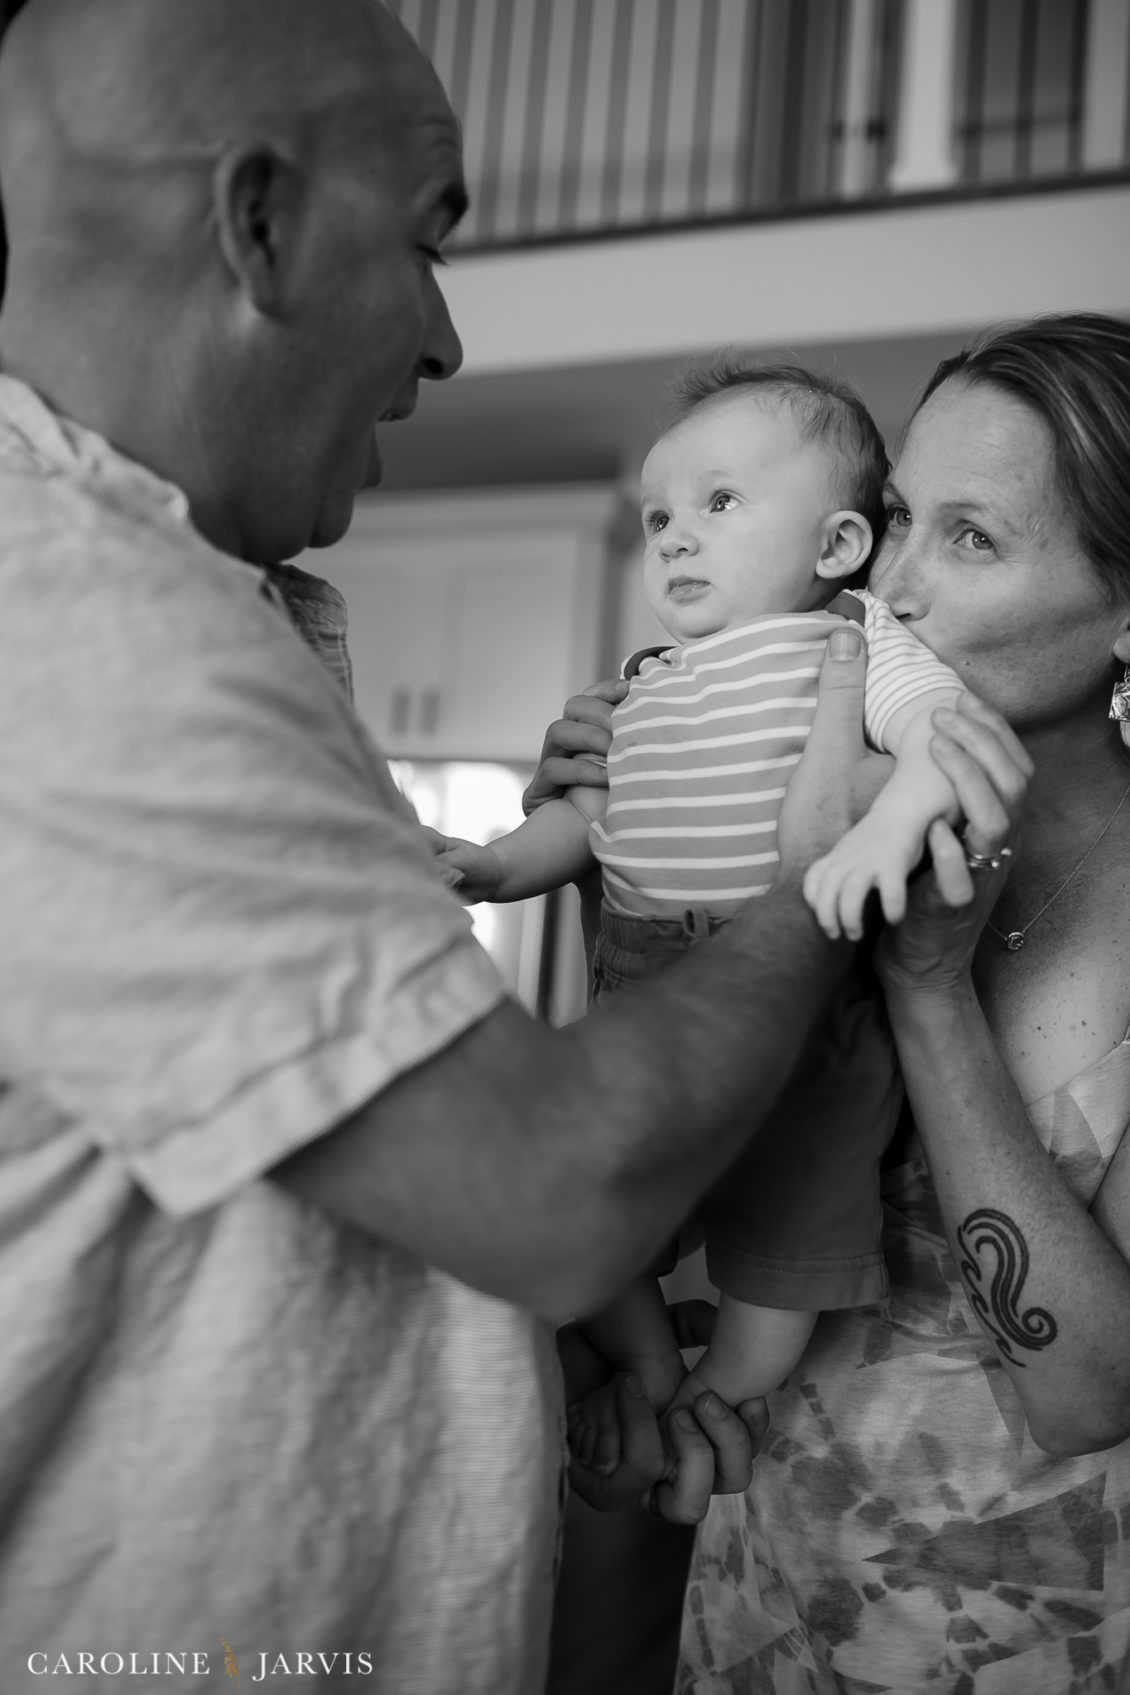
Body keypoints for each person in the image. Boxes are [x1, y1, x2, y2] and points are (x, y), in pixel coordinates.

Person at [0, 2, 1013, 1690]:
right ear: (258, 223)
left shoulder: (207, 607)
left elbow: (328, 1143)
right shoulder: (78, 623)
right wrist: (805, 884)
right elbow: (549, 1189)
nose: (449, 337)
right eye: (428, 239)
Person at [535, 312, 1130, 1693]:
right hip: (753, 1594)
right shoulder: (820, 804)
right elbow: (708, 1159)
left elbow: (1088, 1387)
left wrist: (924, 988)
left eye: (971, 539)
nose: (889, 583)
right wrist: (623, 857)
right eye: (899, 516)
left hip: (1024, 1642)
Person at [432, 362, 966, 1473]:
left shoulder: (851, 643)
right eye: (659, 516)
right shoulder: (646, 680)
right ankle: (645, 1363)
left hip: (797, 1002)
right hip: (644, 989)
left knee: (786, 1232)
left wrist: (904, 807)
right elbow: (586, 820)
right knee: (584, 1206)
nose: (675, 536)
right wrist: (491, 863)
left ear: (836, 546)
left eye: (719, 503)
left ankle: (719, 1390)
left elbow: (934, 726)